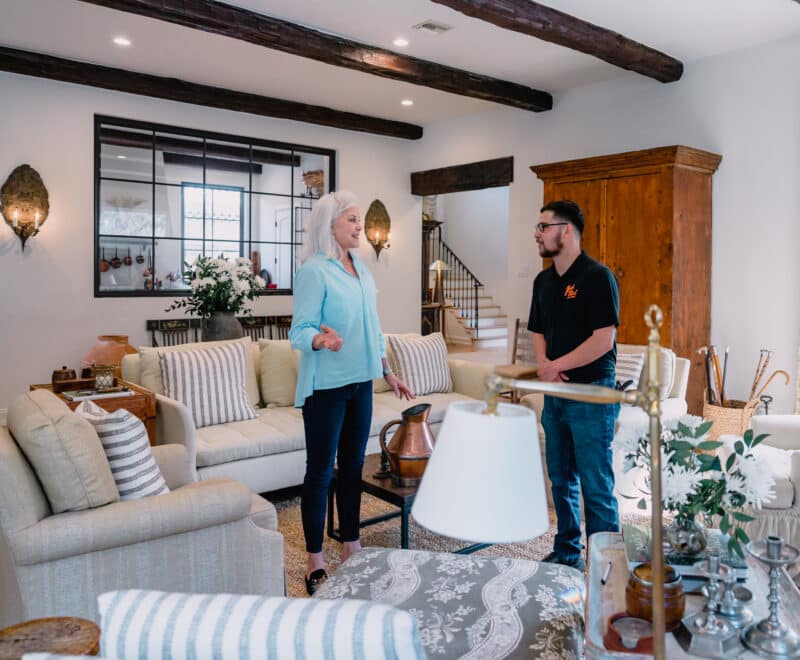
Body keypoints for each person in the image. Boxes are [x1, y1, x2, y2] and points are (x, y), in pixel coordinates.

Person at [289, 190, 414, 595]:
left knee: (353, 470)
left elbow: (373, 327)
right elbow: (299, 331)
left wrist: (388, 370)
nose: (360, 226)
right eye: (352, 220)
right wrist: (321, 342)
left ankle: (352, 548)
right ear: (330, 226)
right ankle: (314, 561)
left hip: (361, 383)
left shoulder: (361, 267)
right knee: (321, 472)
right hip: (325, 387)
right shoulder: (314, 271)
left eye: (359, 220)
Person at [528, 199, 620, 571]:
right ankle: (567, 552)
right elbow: (537, 331)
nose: (537, 233)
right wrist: (543, 365)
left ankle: (606, 564)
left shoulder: (598, 277)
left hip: (591, 393)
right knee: (560, 479)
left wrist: (556, 366)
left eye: (543, 227)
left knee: (596, 486)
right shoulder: (543, 281)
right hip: (556, 397)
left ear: (567, 231)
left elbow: (604, 339)